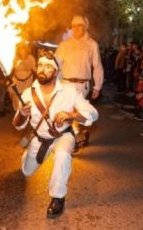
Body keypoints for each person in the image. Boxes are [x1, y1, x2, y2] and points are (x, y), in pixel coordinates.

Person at [12, 50, 98, 218]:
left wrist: (72, 115)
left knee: (63, 154)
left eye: (48, 66)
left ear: (56, 71)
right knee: (27, 171)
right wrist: (22, 113)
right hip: (39, 138)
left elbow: (93, 114)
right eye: (41, 65)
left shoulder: (69, 91)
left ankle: (58, 197)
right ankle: (27, 158)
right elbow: (17, 125)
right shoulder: (28, 93)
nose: (43, 69)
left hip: (62, 136)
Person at [55, 15, 103, 147]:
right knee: (65, 111)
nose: (76, 28)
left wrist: (97, 86)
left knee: (76, 112)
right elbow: (56, 64)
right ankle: (72, 138)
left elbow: (97, 66)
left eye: (80, 25)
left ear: (85, 27)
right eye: (74, 25)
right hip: (65, 83)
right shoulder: (64, 44)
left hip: (82, 85)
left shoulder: (92, 44)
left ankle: (79, 134)